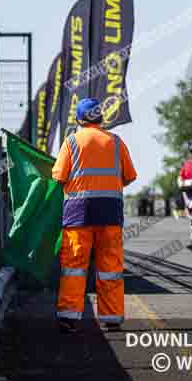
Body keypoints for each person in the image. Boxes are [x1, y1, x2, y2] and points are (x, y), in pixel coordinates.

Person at [52, 97, 137, 334]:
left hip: (78, 214)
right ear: (101, 118)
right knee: (110, 266)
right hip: (109, 212)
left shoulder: (72, 142)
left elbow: (58, 176)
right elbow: (129, 176)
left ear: (79, 119)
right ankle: (112, 318)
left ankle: (69, 317)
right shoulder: (117, 142)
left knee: (74, 266)